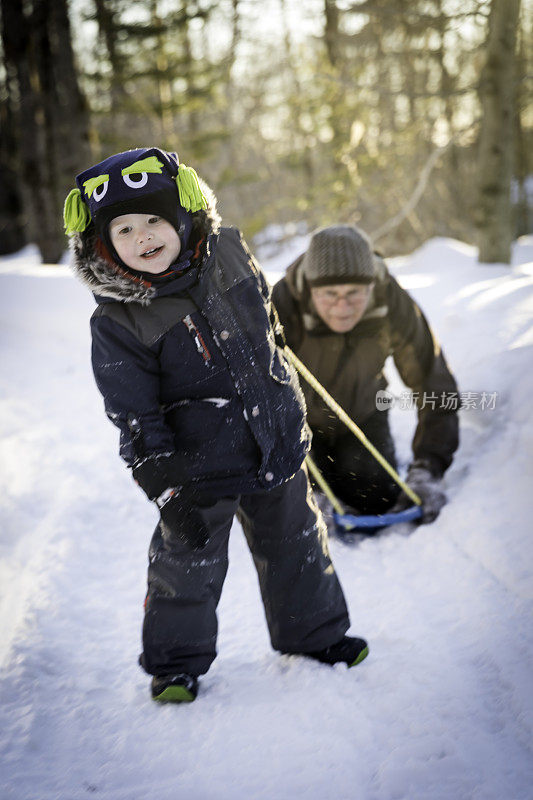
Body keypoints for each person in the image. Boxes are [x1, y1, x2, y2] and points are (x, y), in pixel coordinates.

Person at [64, 148, 368, 703]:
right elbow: (133, 412)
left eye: (155, 219)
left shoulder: (229, 249)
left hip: (273, 439)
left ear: (182, 216)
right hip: (197, 468)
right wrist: (166, 486)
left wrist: (279, 372)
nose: (143, 236)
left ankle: (315, 635)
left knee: (297, 545)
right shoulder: (118, 319)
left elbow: (264, 315)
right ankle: (175, 664)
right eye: (124, 228)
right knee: (188, 567)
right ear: (104, 243)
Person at [272, 225, 459, 525]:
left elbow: (431, 380)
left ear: (371, 286)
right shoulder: (282, 303)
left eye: (354, 293)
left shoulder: (391, 299)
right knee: (306, 508)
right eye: (330, 294)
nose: (342, 307)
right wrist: (293, 484)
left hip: (363, 415)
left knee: (376, 499)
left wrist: (429, 467)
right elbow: (257, 394)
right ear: (310, 287)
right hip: (300, 428)